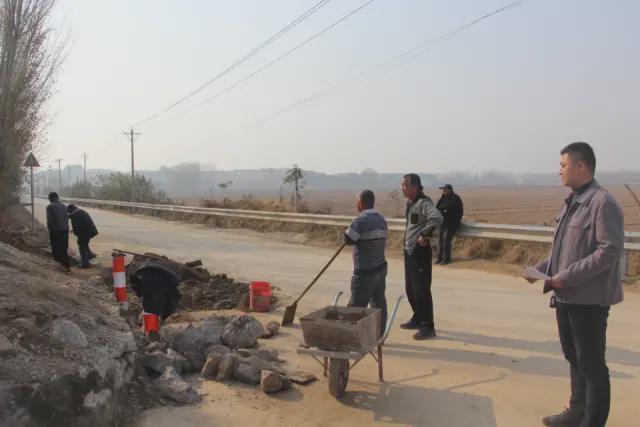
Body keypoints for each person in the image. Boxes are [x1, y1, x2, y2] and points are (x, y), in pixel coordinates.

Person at [525, 142, 624, 427]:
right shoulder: (571, 201)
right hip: (566, 297)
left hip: (589, 299)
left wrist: (566, 277)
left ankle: (592, 421)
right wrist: (541, 270)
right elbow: (561, 250)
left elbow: (609, 251)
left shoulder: (602, 203)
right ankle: (576, 411)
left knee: (592, 364)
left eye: (563, 165)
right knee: (573, 357)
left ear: (582, 167)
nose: (560, 172)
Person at [399, 174, 443, 340]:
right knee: (410, 289)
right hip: (410, 252)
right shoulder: (411, 204)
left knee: (421, 290)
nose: (402, 188)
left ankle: (428, 326)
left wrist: (425, 235)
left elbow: (437, 217)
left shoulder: (424, 203)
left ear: (415, 186)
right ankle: (417, 318)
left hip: (419, 253)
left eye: (405, 185)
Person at [344, 190, 388, 335]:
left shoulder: (360, 221)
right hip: (380, 268)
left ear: (361, 203)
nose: (356, 204)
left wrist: (347, 232)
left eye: (357, 201)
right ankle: (378, 336)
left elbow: (348, 240)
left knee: (355, 308)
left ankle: (348, 338)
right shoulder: (381, 219)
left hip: (365, 272)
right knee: (378, 304)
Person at [130, 264, 181, 339]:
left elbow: (148, 301)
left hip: (167, 284)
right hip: (171, 282)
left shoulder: (144, 279)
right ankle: (151, 329)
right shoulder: (144, 274)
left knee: (151, 307)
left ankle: (151, 331)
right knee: (157, 307)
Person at [435, 184, 464, 265]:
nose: (443, 191)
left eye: (444, 189)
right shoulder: (442, 198)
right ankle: (439, 258)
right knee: (440, 240)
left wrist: (444, 210)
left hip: (452, 223)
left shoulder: (456, 198)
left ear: (449, 190)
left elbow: (449, 207)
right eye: (442, 190)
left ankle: (446, 259)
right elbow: (437, 208)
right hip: (443, 222)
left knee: (446, 239)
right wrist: (443, 210)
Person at [67, 204, 98, 268]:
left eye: (68, 211)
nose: (68, 212)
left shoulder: (75, 215)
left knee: (82, 245)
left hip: (86, 232)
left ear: (71, 209)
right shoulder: (80, 211)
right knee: (83, 243)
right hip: (90, 230)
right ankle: (90, 255)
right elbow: (79, 223)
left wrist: (74, 231)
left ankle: (85, 263)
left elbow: (76, 226)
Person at [46, 192, 70, 272]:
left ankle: (59, 268)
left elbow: (50, 220)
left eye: (49, 199)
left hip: (56, 231)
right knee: (64, 248)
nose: (49, 200)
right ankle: (67, 266)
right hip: (65, 230)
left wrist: (49, 228)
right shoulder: (64, 206)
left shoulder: (50, 207)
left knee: (56, 249)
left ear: (51, 198)